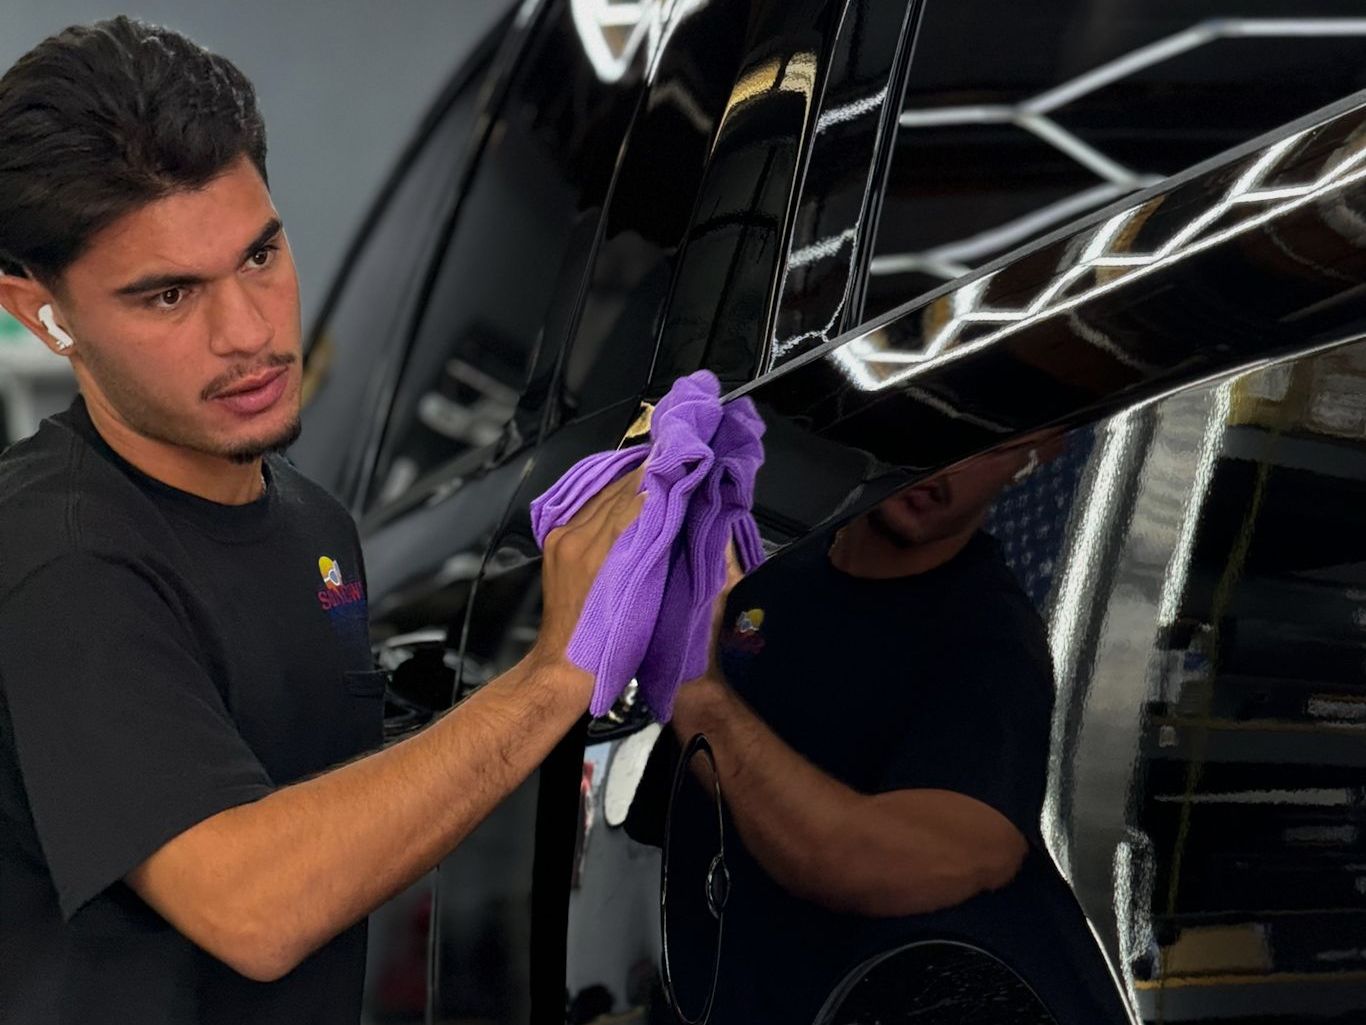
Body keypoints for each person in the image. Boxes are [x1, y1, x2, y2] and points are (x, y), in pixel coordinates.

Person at [0, 18, 644, 1024]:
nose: (250, 333)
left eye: (261, 254)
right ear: (44, 315)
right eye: (168, 295)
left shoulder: (312, 522)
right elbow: (253, 906)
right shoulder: (60, 556)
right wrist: (553, 675)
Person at [643, 433, 1128, 1022]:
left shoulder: (992, 647)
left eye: (990, 444)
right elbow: (670, 814)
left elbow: (879, 863)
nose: (945, 462)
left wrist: (697, 689)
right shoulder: (773, 578)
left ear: (1037, 456)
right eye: (948, 423)